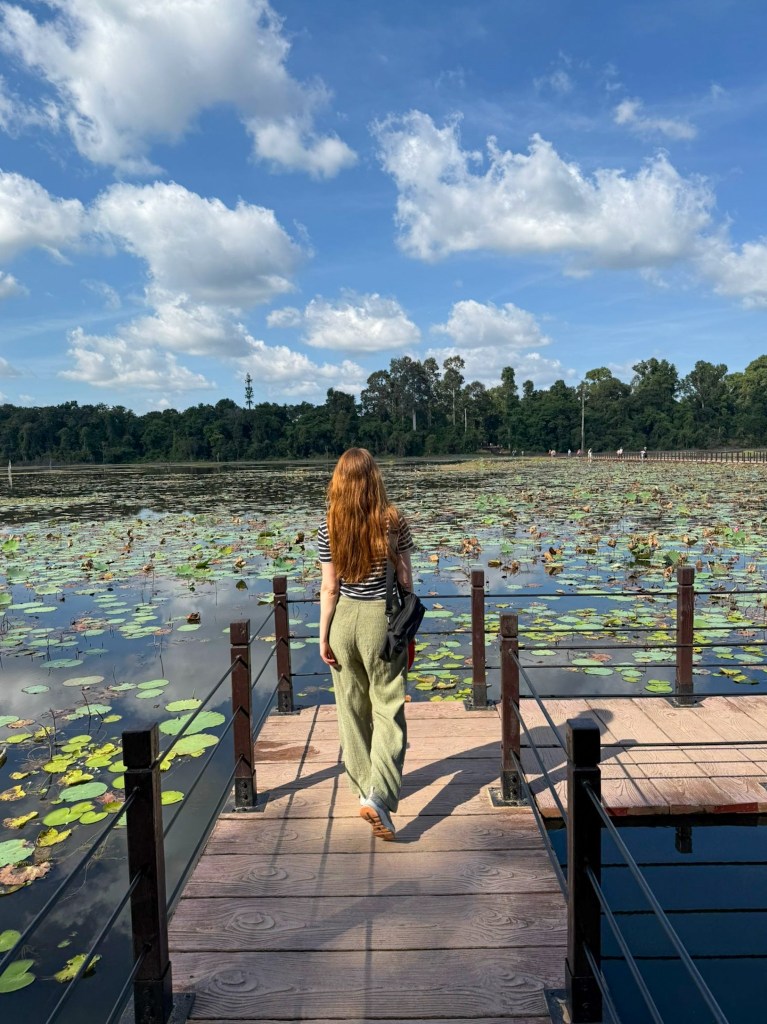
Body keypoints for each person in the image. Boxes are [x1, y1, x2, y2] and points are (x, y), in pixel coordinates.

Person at [318, 448, 415, 842]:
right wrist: (408, 632)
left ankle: (362, 789)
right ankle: (380, 796)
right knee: (388, 709)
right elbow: (406, 581)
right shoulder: (394, 522)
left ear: (339, 480)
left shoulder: (330, 525)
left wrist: (323, 636)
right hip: (382, 620)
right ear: (375, 477)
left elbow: (329, 587)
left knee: (351, 710)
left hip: (343, 620)